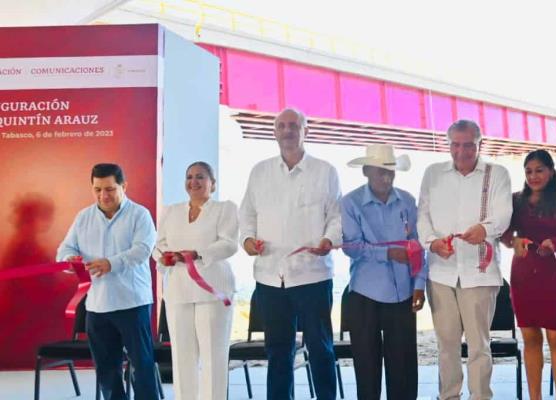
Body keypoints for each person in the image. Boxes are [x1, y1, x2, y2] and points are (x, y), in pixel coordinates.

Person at [239, 108, 342, 400]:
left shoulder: (325, 171)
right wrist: (247, 240)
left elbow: (337, 216)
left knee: (321, 348)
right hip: (271, 278)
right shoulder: (260, 171)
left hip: (313, 275)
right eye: (281, 125)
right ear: (274, 131)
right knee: (278, 352)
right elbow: (247, 214)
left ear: (305, 130)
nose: (287, 130)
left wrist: (328, 239)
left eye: (294, 125)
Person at [418, 119, 512, 400]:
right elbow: (422, 214)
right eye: (456, 144)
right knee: (446, 344)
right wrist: (432, 243)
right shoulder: (433, 173)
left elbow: (503, 215)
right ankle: (448, 396)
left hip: (479, 273)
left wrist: (484, 229)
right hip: (441, 273)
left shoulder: (497, 174)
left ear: (479, 144)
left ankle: (481, 396)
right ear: (448, 145)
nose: (462, 151)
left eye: (468, 144)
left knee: (479, 345)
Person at [57, 163, 159, 400]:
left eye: (110, 189)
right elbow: (65, 248)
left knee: (142, 366)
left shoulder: (140, 214)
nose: (104, 195)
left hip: (132, 303)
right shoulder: (83, 217)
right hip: (97, 306)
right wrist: (68, 259)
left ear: (124, 186)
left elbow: (143, 250)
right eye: (98, 189)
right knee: (106, 369)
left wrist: (111, 263)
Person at [341, 144, 427, 400]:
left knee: (403, 366)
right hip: (364, 293)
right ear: (367, 171)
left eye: (391, 173)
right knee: (366, 366)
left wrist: (419, 284)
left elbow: (420, 245)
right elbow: (351, 248)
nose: (387, 178)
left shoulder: (408, 201)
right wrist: (388, 253)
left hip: (402, 294)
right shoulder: (350, 203)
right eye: (381, 172)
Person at [154, 161, 238, 400]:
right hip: (178, 291)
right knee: (182, 357)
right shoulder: (171, 211)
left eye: (200, 177)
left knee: (213, 356)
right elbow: (159, 246)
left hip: (213, 290)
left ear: (213, 183)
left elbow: (229, 243)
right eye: (189, 177)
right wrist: (166, 257)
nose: (194, 182)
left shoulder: (225, 209)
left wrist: (198, 254)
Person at [500, 149, 556, 399]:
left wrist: (554, 243)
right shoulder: (515, 200)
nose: (533, 176)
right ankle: (535, 397)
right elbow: (503, 234)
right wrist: (515, 242)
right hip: (524, 274)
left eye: (539, 170)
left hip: (554, 272)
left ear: (551, 171)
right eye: (529, 171)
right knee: (530, 338)